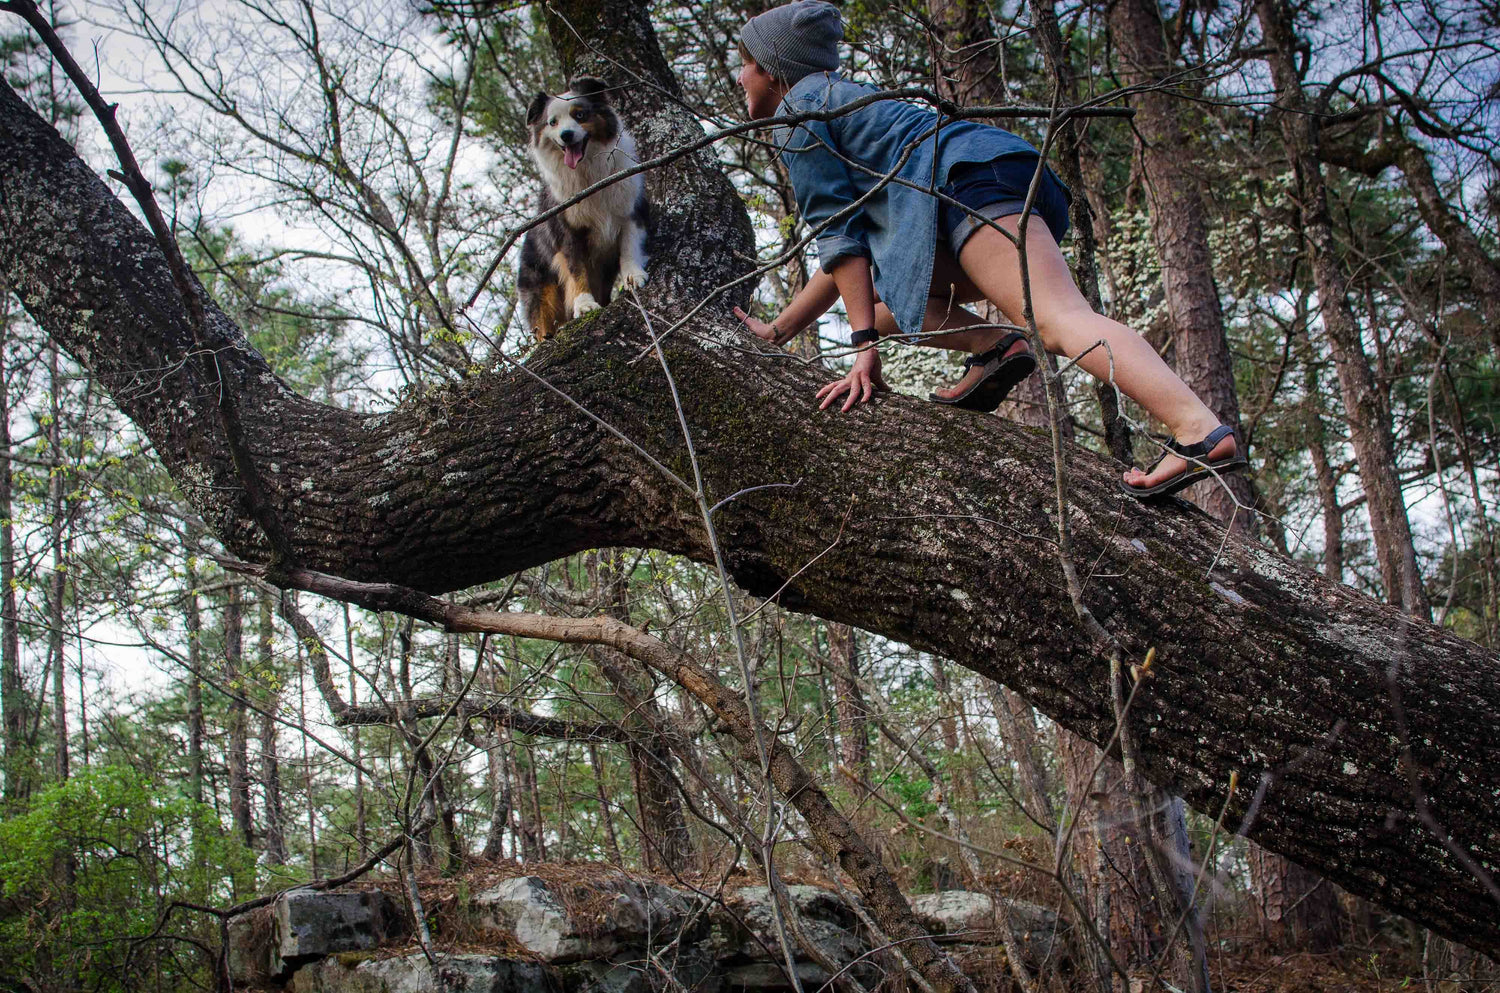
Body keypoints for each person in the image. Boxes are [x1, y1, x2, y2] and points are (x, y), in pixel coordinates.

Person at [729, 0, 1246, 499]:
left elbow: (837, 233)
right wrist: (779, 331)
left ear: (775, 71)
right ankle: (996, 346)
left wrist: (862, 349)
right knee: (888, 305)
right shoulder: (840, 100)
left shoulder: (800, 111)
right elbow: (851, 255)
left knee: (1060, 319)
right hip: (998, 173)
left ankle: (1197, 427)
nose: (740, 77)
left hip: (964, 182)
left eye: (748, 63)